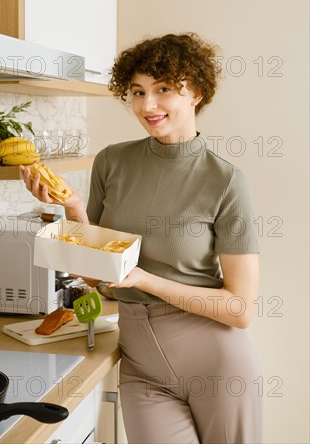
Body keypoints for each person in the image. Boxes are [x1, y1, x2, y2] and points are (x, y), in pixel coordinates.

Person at [21, 33, 262, 444]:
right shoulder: (112, 161)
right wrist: (75, 210)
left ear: (196, 92)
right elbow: (95, 277)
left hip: (216, 364)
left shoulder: (226, 181)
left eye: (163, 89)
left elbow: (239, 309)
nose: (147, 105)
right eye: (137, 91)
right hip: (142, 366)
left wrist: (145, 279)